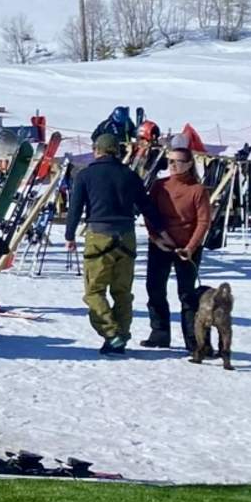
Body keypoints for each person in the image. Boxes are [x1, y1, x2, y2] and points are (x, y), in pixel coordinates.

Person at [65, 133, 163, 354]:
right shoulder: (130, 175)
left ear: (96, 150)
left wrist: (69, 235)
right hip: (126, 237)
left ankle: (112, 334)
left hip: (99, 236)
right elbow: (146, 206)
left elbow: (75, 208)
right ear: (117, 152)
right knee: (122, 292)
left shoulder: (85, 175)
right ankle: (121, 337)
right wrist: (161, 230)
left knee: (94, 291)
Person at [142, 143, 212, 349]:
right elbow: (150, 214)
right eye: (170, 161)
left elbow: (203, 221)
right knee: (155, 289)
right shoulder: (160, 186)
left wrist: (191, 247)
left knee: (187, 294)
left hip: (186, 248)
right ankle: (159, 333)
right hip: (160, 245)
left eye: (177, 161)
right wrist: (155, 238)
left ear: (189, 164)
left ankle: (193, 340)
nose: (172, 165)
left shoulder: (197, 190)